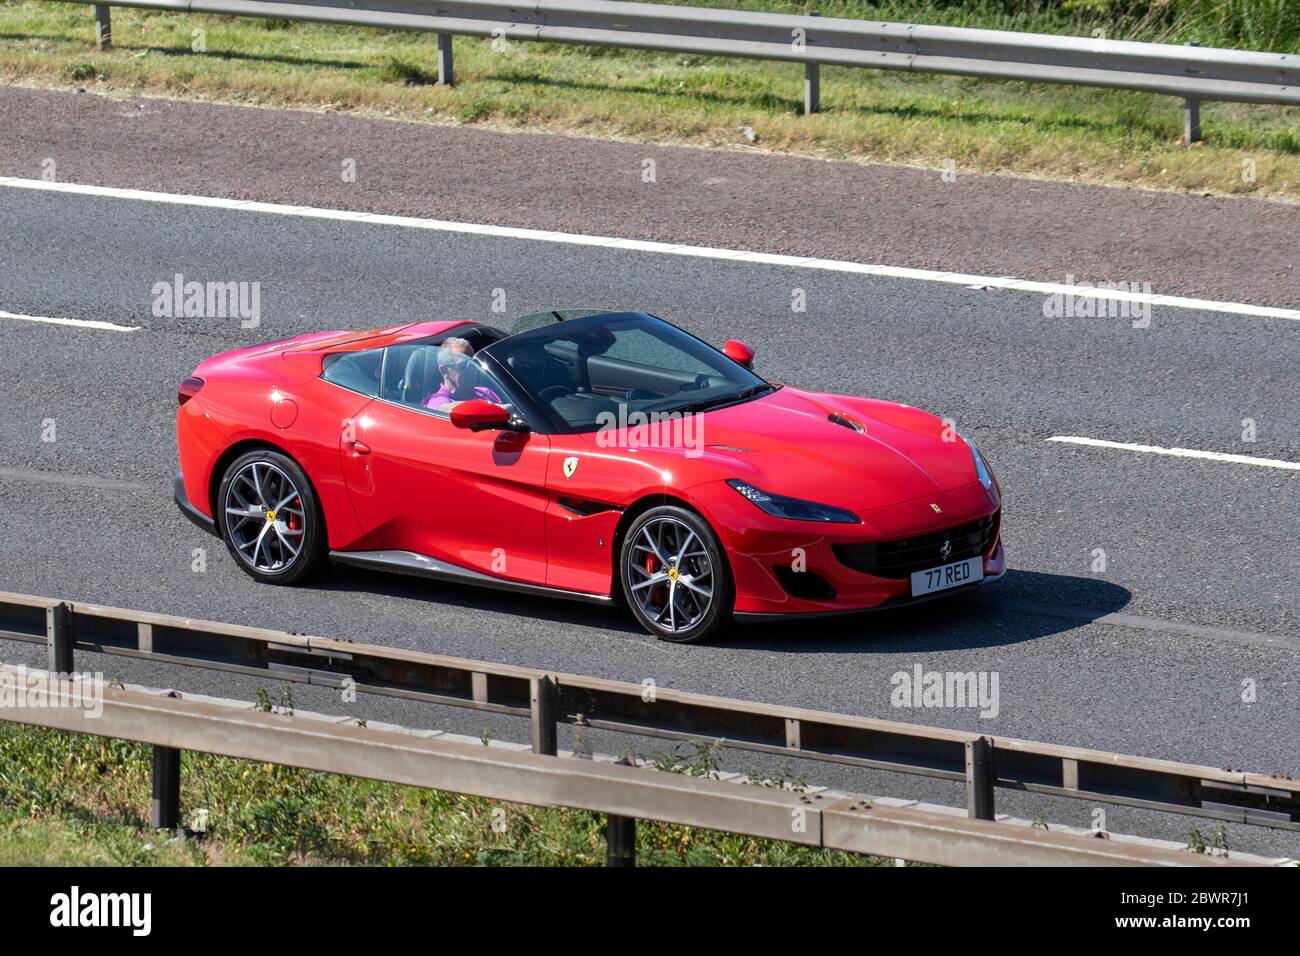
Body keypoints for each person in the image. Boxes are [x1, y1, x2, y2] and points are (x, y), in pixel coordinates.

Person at [423, 337, 505, 411]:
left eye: (474, 364)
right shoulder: (439, 405)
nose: (473, 369)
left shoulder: (486, 393)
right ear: (444, 370)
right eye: (465, 364)